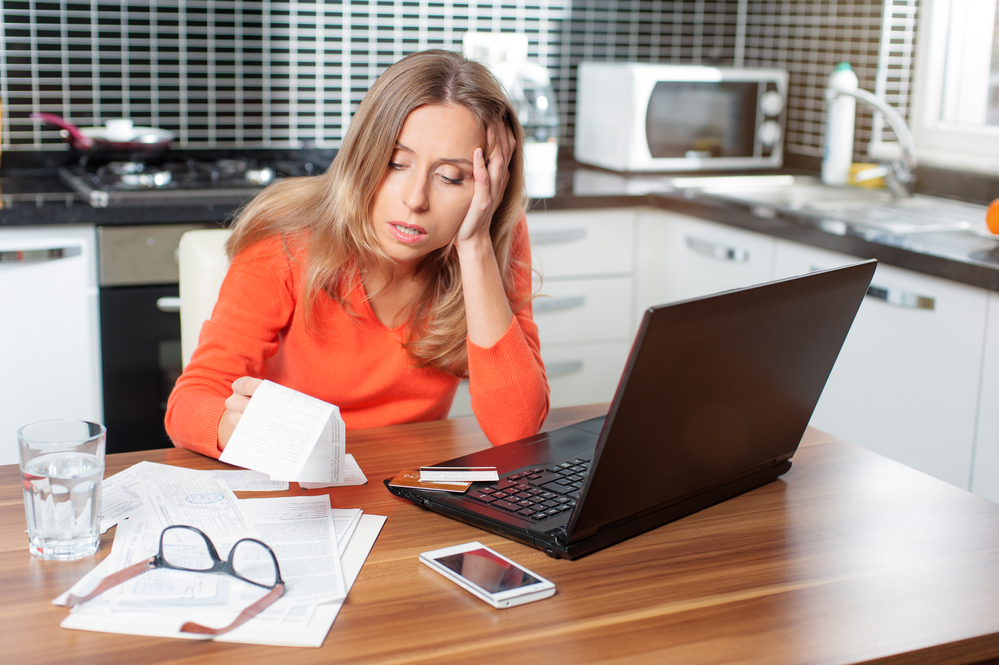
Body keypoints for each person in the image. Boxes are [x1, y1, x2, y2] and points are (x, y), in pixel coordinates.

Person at [165, 49, 550, 459]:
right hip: (295, 481)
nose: (415, 199)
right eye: (395, 163)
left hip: (409, 482)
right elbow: (190, 402)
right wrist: (238, 427)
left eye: (450, 177)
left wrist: (474, 248)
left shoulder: (488, 238)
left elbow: (518, 430)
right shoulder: (287, 239)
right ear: (362, 157)